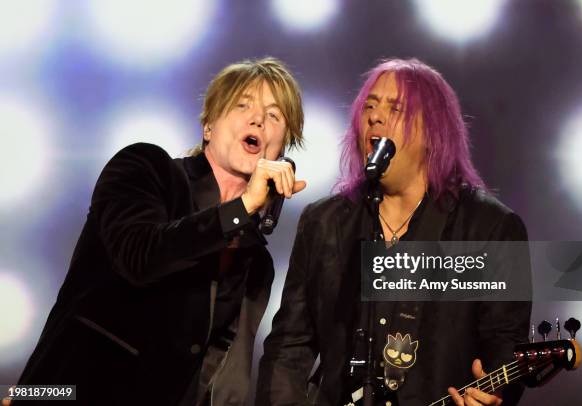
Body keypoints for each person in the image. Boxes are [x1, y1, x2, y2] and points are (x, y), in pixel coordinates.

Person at [16, 57, 306, 406]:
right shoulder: (146, 169)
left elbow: (223, 373)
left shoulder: (255, 260)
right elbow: (141, 257)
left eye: (274, 115)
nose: (258, 118)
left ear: (281, 150)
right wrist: (240, 208)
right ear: (209, 126)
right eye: (243, 105)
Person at [256, 59, 531, 406]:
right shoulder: (324, 222)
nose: (375, 116)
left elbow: (504, 349)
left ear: (432, 130)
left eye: (395, 108)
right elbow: (289, 345)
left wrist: (492, 396)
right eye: (369, 106)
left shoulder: (490, 229)